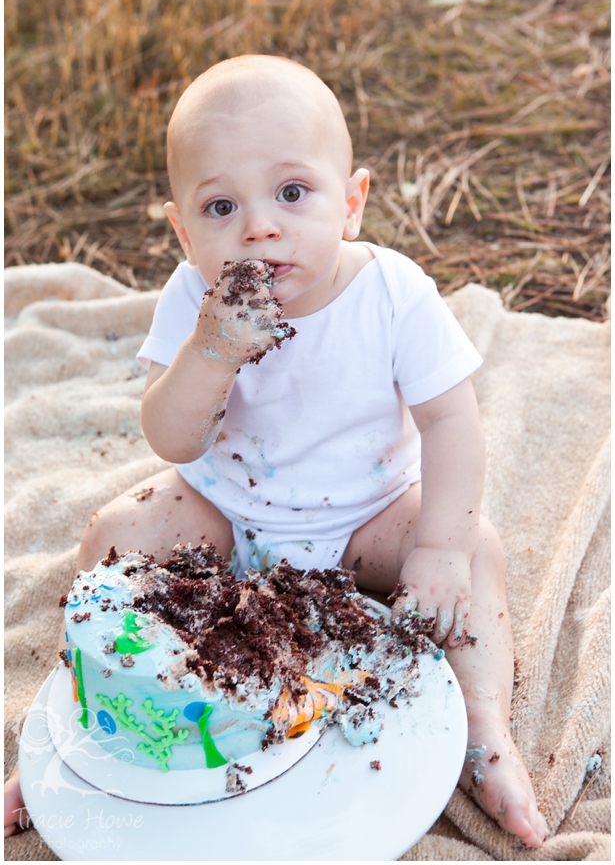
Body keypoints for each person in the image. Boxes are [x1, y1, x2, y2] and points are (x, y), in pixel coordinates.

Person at [5, 54, 549, 848]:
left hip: (367, 516)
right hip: (223, 516)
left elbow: (452, 425)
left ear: (351, 203)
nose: (260, 227)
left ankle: (481, 729)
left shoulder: (393, 294)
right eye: (222, 207)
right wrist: (211, 351)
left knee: (476, 554)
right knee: (115, 536)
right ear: (184, 234)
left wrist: (437, 546)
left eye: (292, 194)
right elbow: (170, 437)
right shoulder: (193, 300)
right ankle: (81, 736)